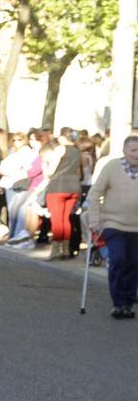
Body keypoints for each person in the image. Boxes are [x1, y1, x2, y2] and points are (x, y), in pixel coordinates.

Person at [82, 134, 138, 319]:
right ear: (124, 151)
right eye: (133, 150)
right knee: (119, 260)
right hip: (114, 223)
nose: (136, 154)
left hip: (136, 227)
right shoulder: (112, 167)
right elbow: (95, 193)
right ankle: (118, 302)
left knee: (134, 264)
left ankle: (128, 303)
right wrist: (95, 219)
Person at [44, 127, 82, 260]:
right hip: (73, 186)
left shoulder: (60, 149)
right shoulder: (78, 151)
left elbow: (51, 170)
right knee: (66, 219)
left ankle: (55, 249)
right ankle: (65, 249)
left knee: (57, 219)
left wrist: (46, 167)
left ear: (62, 137)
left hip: (58, 186)